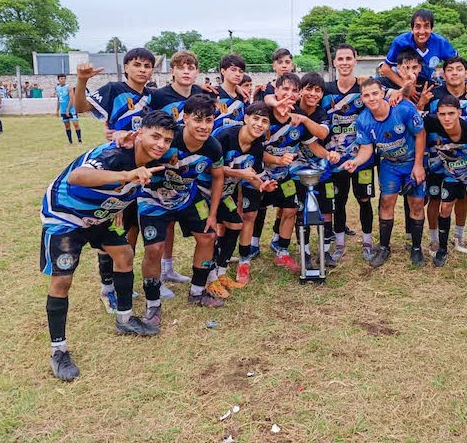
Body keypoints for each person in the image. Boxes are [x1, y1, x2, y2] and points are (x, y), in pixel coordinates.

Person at [40, 110, 176, 381]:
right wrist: (126, 175)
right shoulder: (114, 156)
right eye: (155, 136)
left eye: (167, 140)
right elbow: (77, 177)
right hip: (65, 216)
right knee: (62, 281)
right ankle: (58, 350)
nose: (161, 144)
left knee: (124, 254)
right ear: (139, 134)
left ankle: (124, 319)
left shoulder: (153, 162)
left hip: (98, 217)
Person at [73, 48, 155, 311]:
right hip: (116, 165)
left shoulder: (151, 96)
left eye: (148, 65)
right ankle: (107, 287)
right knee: (108, 225)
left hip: (141, 167)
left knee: (132, 226)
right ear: (127, 67)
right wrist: (83, 80)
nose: (143, 69)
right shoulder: (113, 89)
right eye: (137, 64)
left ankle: (123, 279)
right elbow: (81, 107)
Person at [137, 95, 225, 314]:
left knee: (208, 236)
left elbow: (218, 177)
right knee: (153, 248)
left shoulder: (213, 147)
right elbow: (137, 159)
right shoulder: (167, 140)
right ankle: (153, 304)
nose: (204, 126)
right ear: (185, 118)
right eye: (198, 120)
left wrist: (213, 214)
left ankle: (197, 292)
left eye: (209, 121)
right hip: (153, 199)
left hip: (187, 196)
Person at [254, 73, 336, 272]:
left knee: (292, 208)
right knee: (250, 214)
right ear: (276, 89)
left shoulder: (299, 115)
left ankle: (282, 249)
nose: (289, 94)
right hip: (257, 174)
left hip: (286, 173)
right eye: (285, 89)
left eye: (293, 90)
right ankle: (247, 253)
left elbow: (313, 143)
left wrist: (329, 154)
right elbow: (254, 148)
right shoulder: (264, 111)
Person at [342, 78, 426, 267]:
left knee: (417, 203)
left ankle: (416, 247)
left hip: (412, 161)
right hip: (390, 164)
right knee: (386, 202)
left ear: (382, 93)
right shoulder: (363, 120)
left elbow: (420, 134)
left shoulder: (403, 109)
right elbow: (366, 149)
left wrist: (419, 165)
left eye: (374, 93)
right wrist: (355, 162)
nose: (371, 98)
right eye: (366, 95)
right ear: (362, 99)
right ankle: (384, 247)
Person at [147, 50, 206, 296]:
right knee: (161, 222)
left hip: (188, 170)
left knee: (173, 219)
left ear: (196, 71)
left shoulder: (201, 95)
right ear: (172, 70)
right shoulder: (159, 96)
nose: (186, 71)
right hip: (163, 164)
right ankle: (159, 271)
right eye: (181, 67)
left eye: (191, 67)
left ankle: (168, 268)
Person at [420, 56, 467, 254]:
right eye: (450, 69)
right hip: (436, 156)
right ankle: (434, 239)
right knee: (434, 198)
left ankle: (459, 236)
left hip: (466, 159)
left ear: (466, 73)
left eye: (459, 69)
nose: (454, 73)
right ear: (444, 73)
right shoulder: (434, 93)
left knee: (460, 196)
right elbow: (419, 119)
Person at [322, 44, 377, 263]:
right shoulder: (326, 90)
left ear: (355, 61)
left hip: (362, 157)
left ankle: (367, 242)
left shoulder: (364, 87)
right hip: (335, 158)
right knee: (339, 200)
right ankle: (340, 243)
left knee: (364, 199)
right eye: (340, 59)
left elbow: (387, 92)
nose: (344, 62)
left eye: (348, 58)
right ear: (334, 62)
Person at [424, 96, 467, 268]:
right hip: (453, 172)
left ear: (459, 113)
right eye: (442, 114)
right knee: (445, 208)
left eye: (451, 114)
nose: (446, 118)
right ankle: (442, 249)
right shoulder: (432, 121)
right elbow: (409, 114)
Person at [214, 103, 278, 286]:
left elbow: (253, 175)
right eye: (256, 118)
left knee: (235, 223)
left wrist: (263, 185)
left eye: (264, 121)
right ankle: (208, 276)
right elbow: (211, 168)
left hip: (225, 194)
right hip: (204, 192)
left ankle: (222, 270)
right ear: (246, 118)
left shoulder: (257, 147)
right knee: (208, 234)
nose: (259, 124)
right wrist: (239, 174)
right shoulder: (225, 136)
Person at [379, 8, 458, 87]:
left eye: (426, 26)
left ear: (432, 29)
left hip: (426, 82)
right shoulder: (400, 42)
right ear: (412, 29)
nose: (422, 31)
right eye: (418, 26)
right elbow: (385, 68)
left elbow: (457, 64)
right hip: (401, 81)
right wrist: (405, 86)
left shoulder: (441, 43)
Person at [54, 74, 82, 144]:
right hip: (63, 110)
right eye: (61, 79)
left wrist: (68, 109)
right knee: (67, 126)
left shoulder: (69, 87)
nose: (63, 80)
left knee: (76, 124)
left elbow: (72, 99)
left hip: (71, 109)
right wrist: (57, 110)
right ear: (58, 79)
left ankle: (79, 140)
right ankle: (70, 141)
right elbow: (58, 99)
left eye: (64, 78)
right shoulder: (57, 88)